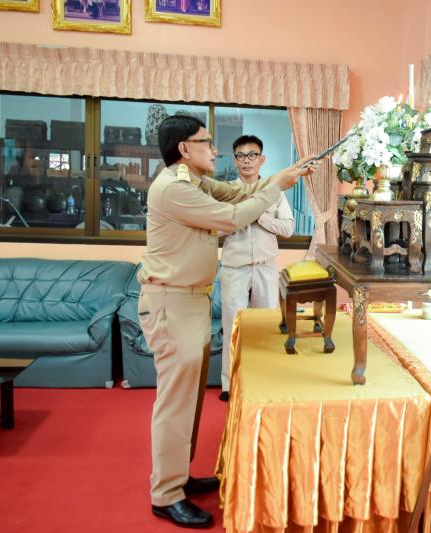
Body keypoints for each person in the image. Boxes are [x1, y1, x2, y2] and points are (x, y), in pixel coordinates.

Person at [137, 115, 317, 528]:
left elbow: (238, 192)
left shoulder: (195, 181)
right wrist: (275, 187)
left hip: (190, 300)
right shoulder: (174, 187)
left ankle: (178, 476)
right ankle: (165, 493)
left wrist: (282, 177)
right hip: (171, 302)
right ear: (185, 148)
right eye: (206, 142)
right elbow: (232, 217)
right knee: (175, 402)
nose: (215, 150)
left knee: (189, 401)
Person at [218, 135, 294, 402]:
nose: (246, 160)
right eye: (241, 155)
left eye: (252, 155)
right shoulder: (226, 191)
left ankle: (265, 380)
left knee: (266, 326)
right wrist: (238, 217)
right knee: (232, 325)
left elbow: (288, 228)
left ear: (262, 159)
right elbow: (214, 228)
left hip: (265, 267)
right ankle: (228, 384)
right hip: (234, 268)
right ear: (235, 160)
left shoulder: (274, 191)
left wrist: (259, 215)